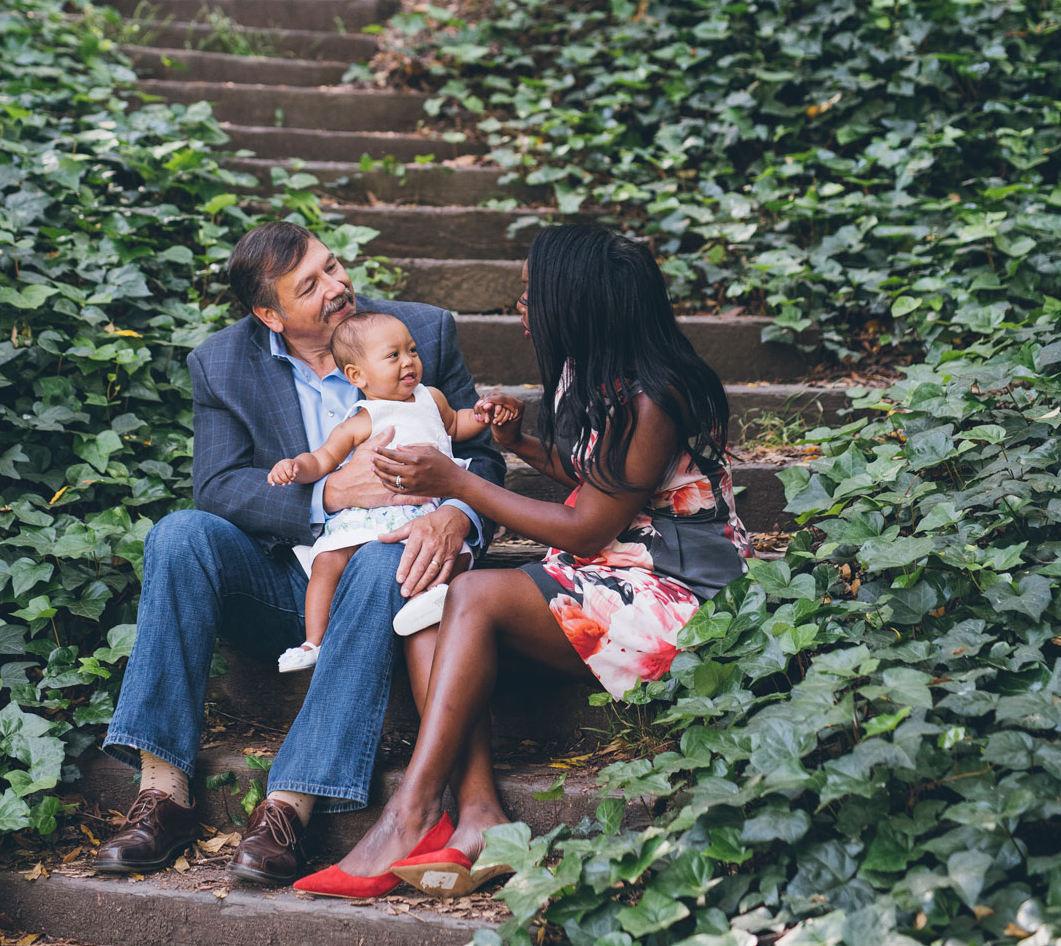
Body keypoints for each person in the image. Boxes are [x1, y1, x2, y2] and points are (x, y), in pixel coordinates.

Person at [292, 219, 751, 901]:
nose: (520, 307)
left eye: (532, 293)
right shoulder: (584, 372)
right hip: (613, 566)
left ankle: (408, 814)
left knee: (473, 595)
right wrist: (525, 446)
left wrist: (457, 483)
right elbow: (608, 475)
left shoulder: (656, 394)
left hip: (677, 587)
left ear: (577, 301)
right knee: (427, 606)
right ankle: (477, 816)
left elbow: (590, 524)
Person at [91, 221, 506, 886]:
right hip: (288, 581)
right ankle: (162, 793)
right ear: (269, 314)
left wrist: (457, 515)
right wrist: (327, 497)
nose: (337, 286)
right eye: (309, 285)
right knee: (178, 534)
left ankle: (288, 806)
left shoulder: (417, 336)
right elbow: (219, 485)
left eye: (333, 266)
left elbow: (479, 455)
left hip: (392, 567)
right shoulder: (221, 364)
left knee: (376, 556)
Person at [267, 310, 497, 673]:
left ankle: (437, 596)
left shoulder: (431, 397)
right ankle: (314, 640)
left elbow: (455, 424)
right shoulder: (361, 420)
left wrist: (484, 416)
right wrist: (295, 467)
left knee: (456, 551)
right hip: (372, 515)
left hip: (426, 509)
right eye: (394, 356)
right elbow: (323, 459)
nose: (409, 362)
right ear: (357, 375)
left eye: (412, 351)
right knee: (327, 561)